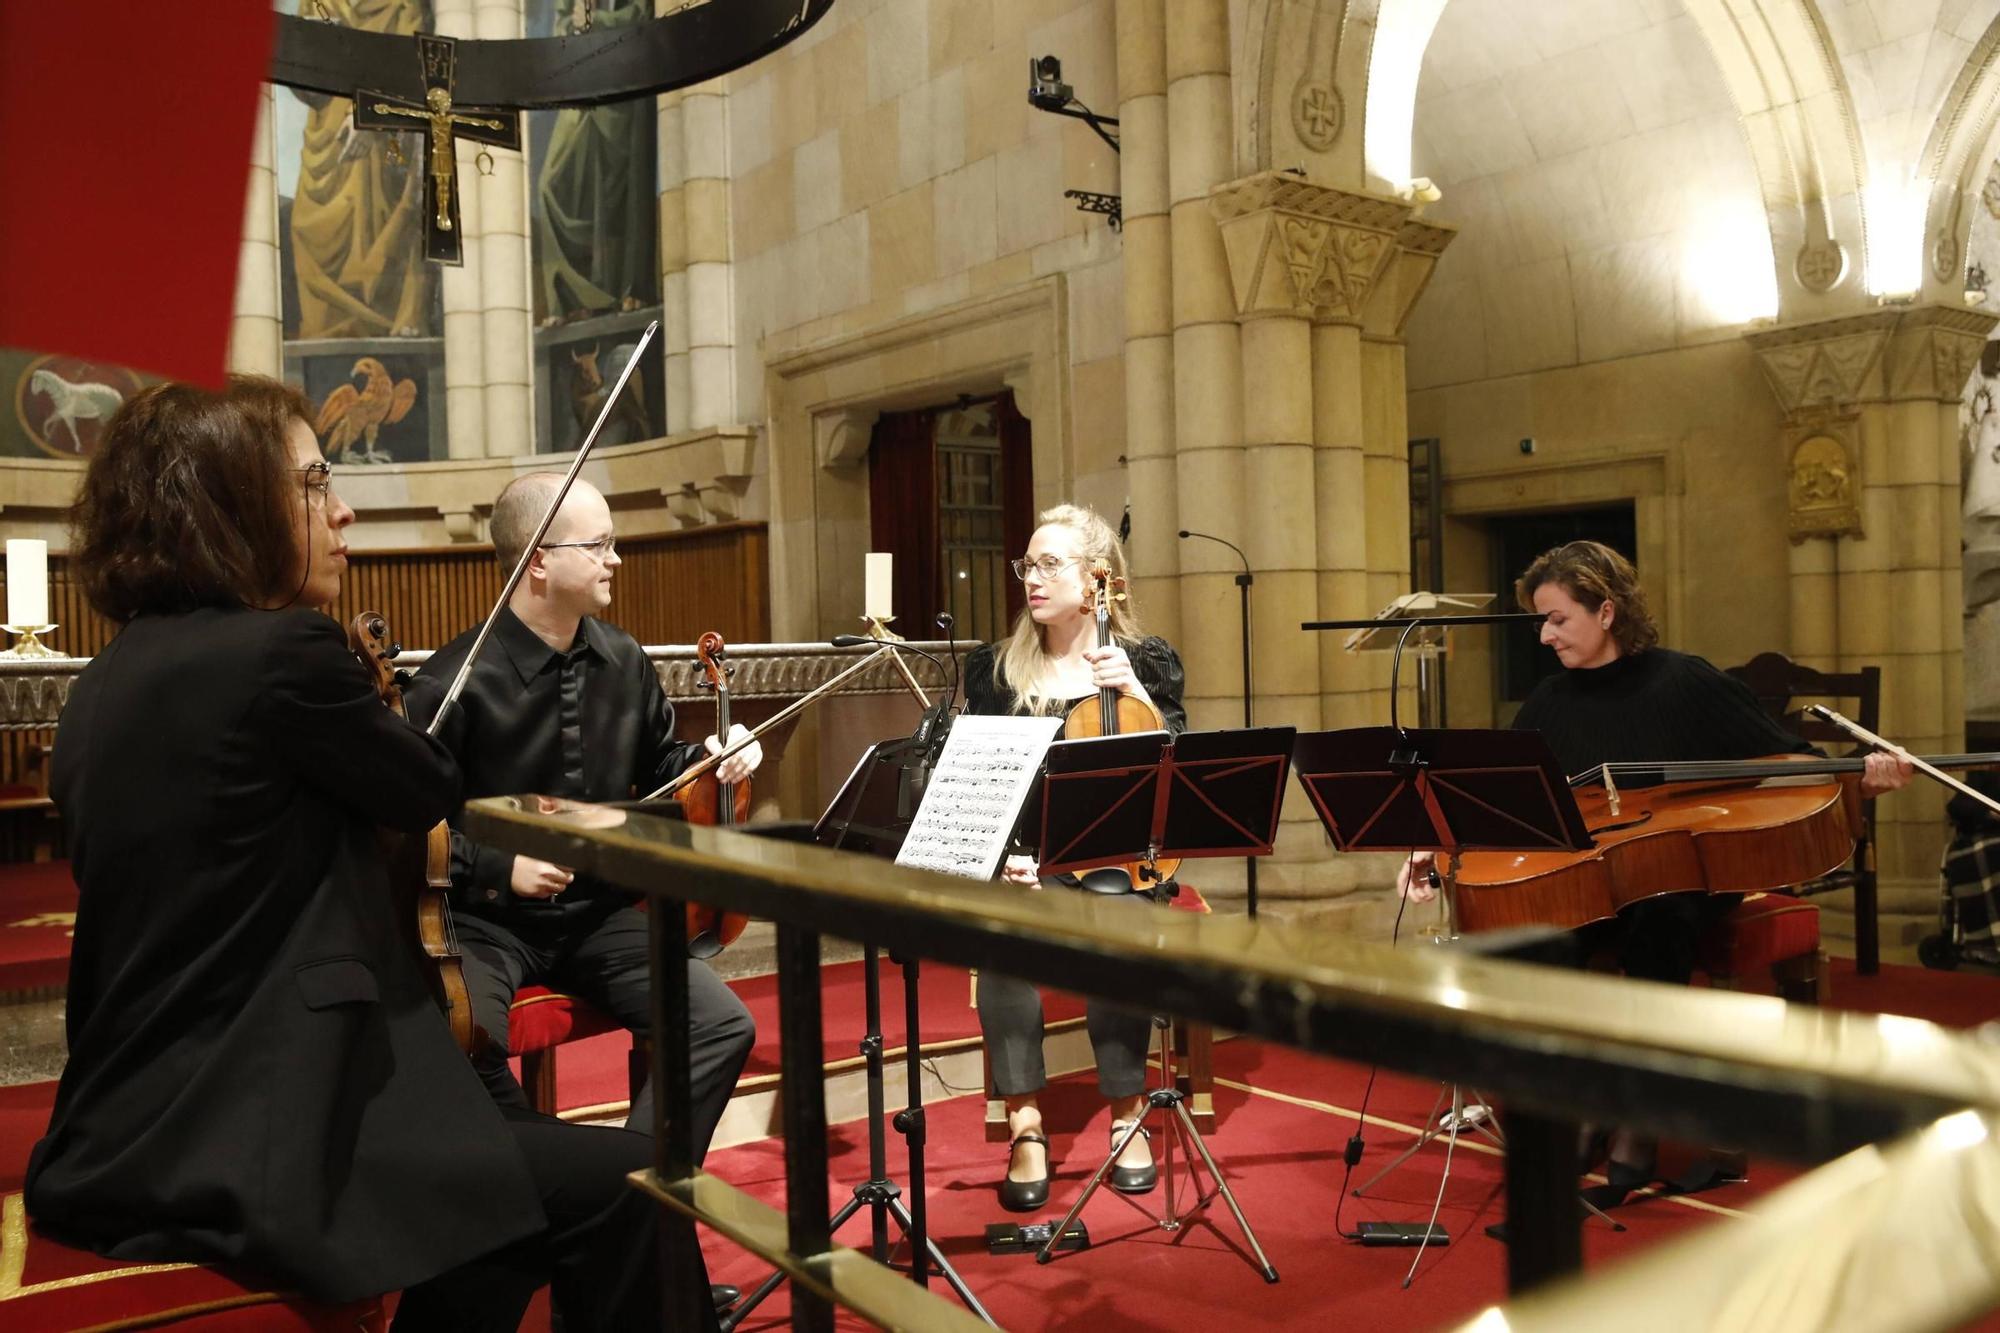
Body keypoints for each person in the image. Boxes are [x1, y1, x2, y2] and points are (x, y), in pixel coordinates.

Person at [26, 377, 701, 1330]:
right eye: (311, 483)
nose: (342, 509)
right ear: (228, 507)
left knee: (510, 1201)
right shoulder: (282, 656)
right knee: (631, 1182)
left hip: (128, 1116)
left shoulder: (107, 678)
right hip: (272, 1121)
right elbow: (425, 786)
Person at [1399, 540, 1912, 1189]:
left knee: (1661, 908)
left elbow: (1794, 760)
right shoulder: (1550, 701)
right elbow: (1503, 800)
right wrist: (1433, 847)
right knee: (1539, 931)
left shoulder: (1685, 680)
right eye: (1540, 619)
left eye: (1557, 618)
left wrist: (1864, 778)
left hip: (1693, 868)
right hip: (1597, 871)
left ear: (1606, 611)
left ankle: (1637, 1117)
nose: (1544, 633)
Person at [404, 473, 759, 1167]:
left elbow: (663, 769)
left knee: (721, 1022)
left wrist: (715, 758)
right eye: (599, 545)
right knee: (455, 1042)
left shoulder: (623, 660)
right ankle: (569, 1194)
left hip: (598, 915)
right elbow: (413, 824)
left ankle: (627, 1195)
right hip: (486, 922)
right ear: (538, 559)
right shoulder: (451, 684)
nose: (616, 560)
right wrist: (504, 866)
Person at [962, 503, 1188, 1212]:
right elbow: (977, 778)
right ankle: (1026, 1119)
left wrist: (1136, 692)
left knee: (1118, 918)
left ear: (1099, 579)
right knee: (1001, 929)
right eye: (1027, 564)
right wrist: (1007, 858)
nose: (1032, 577)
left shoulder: (1146, 660)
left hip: (1118, 863)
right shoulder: (996, 670)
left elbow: (1176, 772)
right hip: (1028, 862)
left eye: (1049, 563)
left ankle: (1126, 1110)